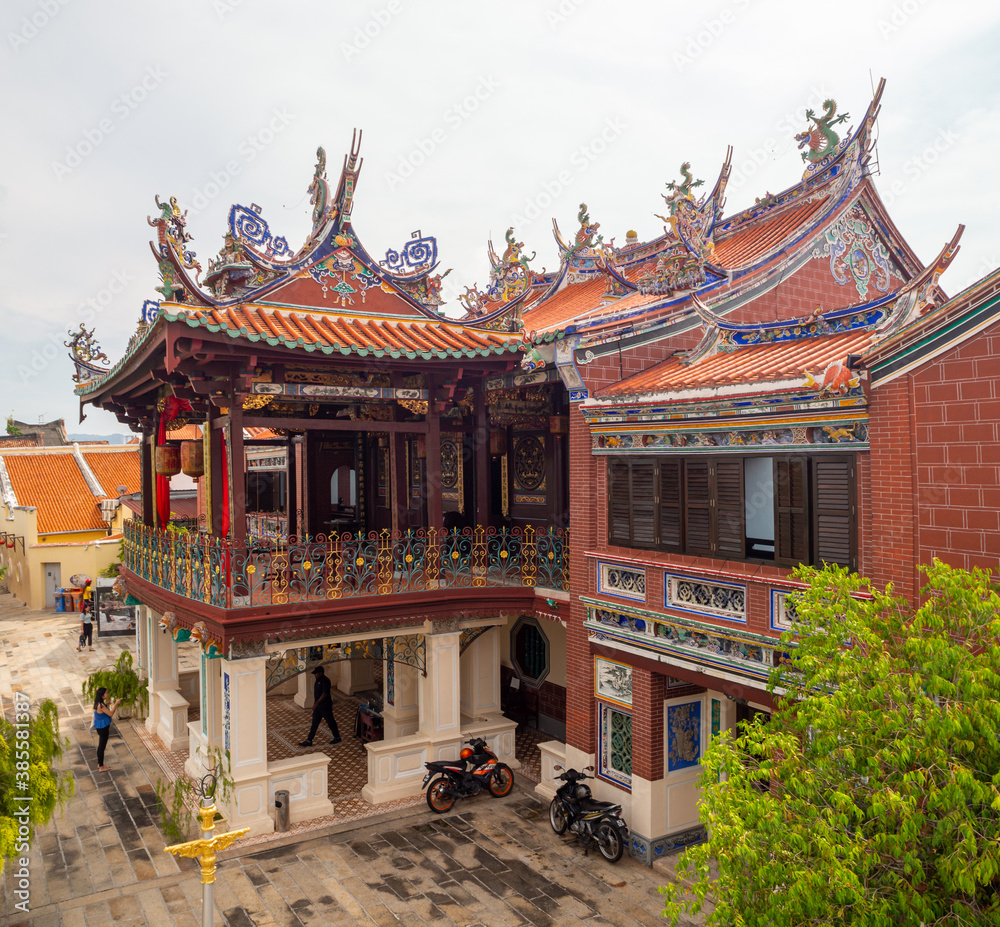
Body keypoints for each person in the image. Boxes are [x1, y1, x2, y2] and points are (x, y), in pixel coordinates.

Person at [299, 666, 341, 746]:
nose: (315, 675)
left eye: (316, 673)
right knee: (314, 723)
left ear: (321, 673)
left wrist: (316, 703)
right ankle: (309, 740)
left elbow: (324, 694)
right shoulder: (317, 681)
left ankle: (337, 737)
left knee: (330, 722)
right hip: (318, 707)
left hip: (325, 706)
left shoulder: (325, 681)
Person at [93, 687, 120, 772]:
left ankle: (100, 763)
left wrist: (107, 705)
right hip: (103, 729)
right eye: (106, 693)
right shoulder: (101, 705)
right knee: (102, 747)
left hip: (101, 727)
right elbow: (111, 713)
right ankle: (101, 766)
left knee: (101, 746)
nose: (107, 694)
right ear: (102, 695)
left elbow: (101, 710)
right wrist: (116, 703)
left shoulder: (99, 703)